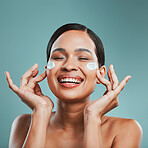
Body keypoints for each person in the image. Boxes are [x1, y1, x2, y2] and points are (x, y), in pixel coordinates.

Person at [5, 23, 143, 148]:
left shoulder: (126, 130)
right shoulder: (24, 124)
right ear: (47, 70)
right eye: (58, 57)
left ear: (100, 73)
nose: (69, 66)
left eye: (83, 58)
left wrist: (92, 116)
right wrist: (41, 111)